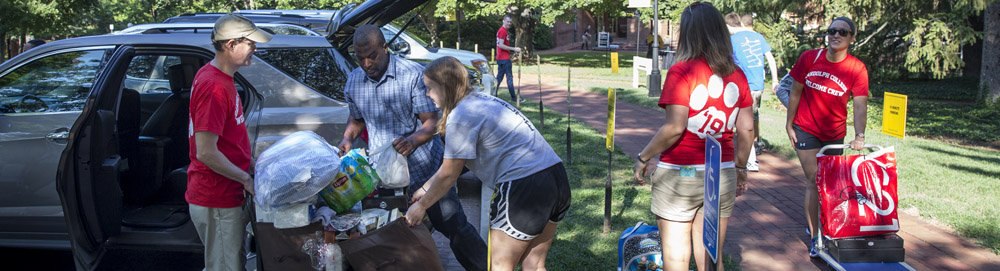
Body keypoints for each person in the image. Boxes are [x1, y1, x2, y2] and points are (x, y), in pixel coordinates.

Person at [338, 25, 487, 271]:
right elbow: (356, 118)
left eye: (372, 55)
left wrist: (413, 140)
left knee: (453, 225)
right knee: (386, 232)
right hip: (383, 175)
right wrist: (348, 138)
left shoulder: (412, 75)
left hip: (425, 171)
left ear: (385, 48)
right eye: (359, 57)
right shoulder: (354, 80)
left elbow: (432, 121)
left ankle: (484, 267)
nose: (366, 63)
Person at [404, 56, 570, 271]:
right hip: (556, 179)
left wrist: (421, 206)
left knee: (498, 266)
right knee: (534, 265)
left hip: (524, 187)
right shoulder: (481, 101)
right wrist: (425, 189)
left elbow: (449, 174)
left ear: (445, 86)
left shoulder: (461, 116)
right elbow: (454, 165)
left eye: (429, 88)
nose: (427, 95)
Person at [632, 2, 753, 271]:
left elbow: (675, 127)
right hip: (721, 171)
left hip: (680, 171)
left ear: (688, 32)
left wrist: (644, 156)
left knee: (676, 257)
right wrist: (741, 167)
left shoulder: (682, 71)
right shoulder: (739, 75)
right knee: (711, 257)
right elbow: (746, 128)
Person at [187, 14, 270, 271]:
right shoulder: (213, 86)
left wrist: (252, 163)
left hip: (227, 193)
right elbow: (206, 152)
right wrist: (245, 179)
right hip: (216, 197)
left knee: (233, 262)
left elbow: (229, 137)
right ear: (231, 45)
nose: (255, 48)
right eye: (251, 43)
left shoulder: (223, 78)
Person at [786, 16, 869, 257]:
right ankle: (816, 236)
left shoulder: (856, 68)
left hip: (834, 134)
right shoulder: (810, 58)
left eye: (843, 32)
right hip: (805, 129)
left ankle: (827, 225)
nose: (836, 35)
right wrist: (789, 124)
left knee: (830, 184)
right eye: (832, 30)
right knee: (814, 179)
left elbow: (860, 105)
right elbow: (795, 92)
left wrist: (859, 135)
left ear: (852, 38)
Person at [724, 13, 779, 172]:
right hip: (758, 86)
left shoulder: (732, 41)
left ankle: (749, 159)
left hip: (742, 86)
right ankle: (750, 155)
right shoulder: (757, 37)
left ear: (728, 26)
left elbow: (727, 62)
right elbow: (770, 57)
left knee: (740, 122)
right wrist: (775, 80)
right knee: (751, 118)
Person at [496, 15, 523, 102]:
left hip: (501, 57)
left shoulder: (503, 31)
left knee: (499, 78)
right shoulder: (502, 31)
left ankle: (493, 94)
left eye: (510, 22)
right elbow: (501, 45)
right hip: (504, 58)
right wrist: (514, 49)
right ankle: (514, 98)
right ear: (503, 21)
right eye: (507, 21)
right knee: (509, 78)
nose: (509, 23)